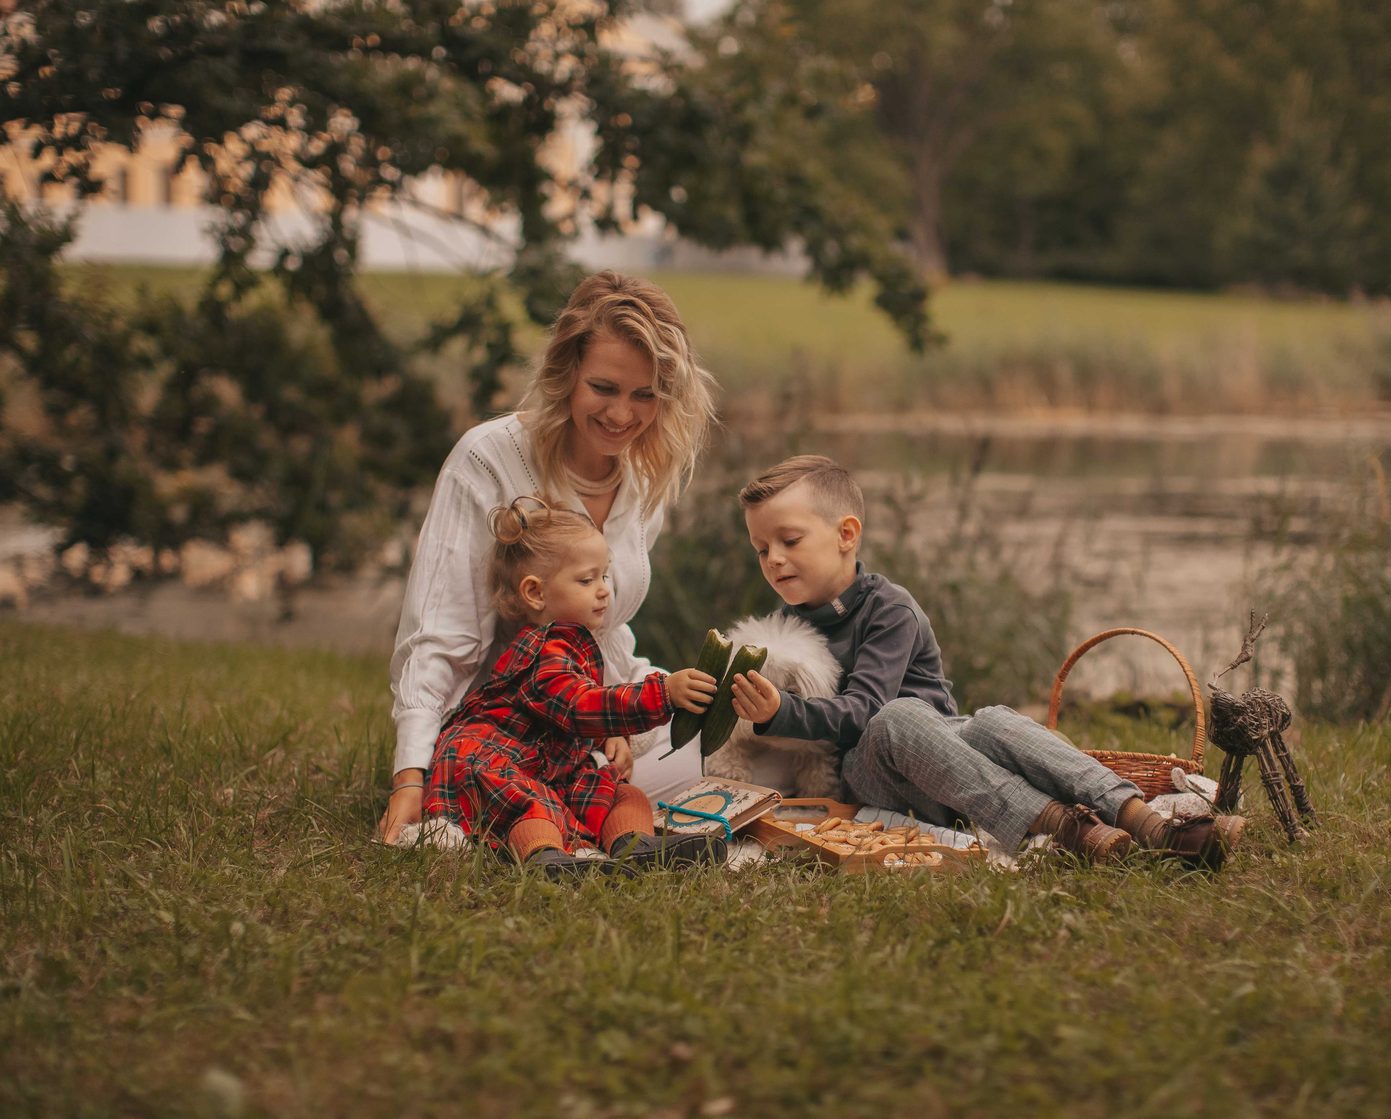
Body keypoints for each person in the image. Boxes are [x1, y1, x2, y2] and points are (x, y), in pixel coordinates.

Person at [726, 455, 1247, 868]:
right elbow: (865, 722)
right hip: (877, 776)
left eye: (789, 541)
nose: (773, 558)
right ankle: (1069, 828)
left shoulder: (889, 609)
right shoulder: (782, 633)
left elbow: (870, 706)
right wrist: (766, 713)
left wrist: (783, 712)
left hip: (954, 760)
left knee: (994, 718)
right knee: (897, 719)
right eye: (760, 548)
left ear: (846, 535)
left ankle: (1149, 822)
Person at [379, 271, 717, 845]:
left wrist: (617, 717)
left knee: (731, 737)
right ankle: (538, 824)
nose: (622, 415)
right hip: (498, 735)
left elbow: (604, 631)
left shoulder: (640, 478)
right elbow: (441, 638)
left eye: (645, 395)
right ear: (566, 376)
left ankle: (626, 829)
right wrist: (409, 778)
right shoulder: (488, 459)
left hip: (585, 722)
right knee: (513, 776)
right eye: (604, 388)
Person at [421, 498, 725, 876]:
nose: (603, 591)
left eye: (605, 576)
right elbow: (580, 706)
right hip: (490, 761)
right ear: (535, 593)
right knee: (533, 802)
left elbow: (567, 716)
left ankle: (635, 845)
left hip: (545, 763)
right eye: (586, 580)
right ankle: (545, 856)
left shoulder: (573, 646)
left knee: (619, 792)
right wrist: (662, 692)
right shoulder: (543, 650)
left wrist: (606, 738)